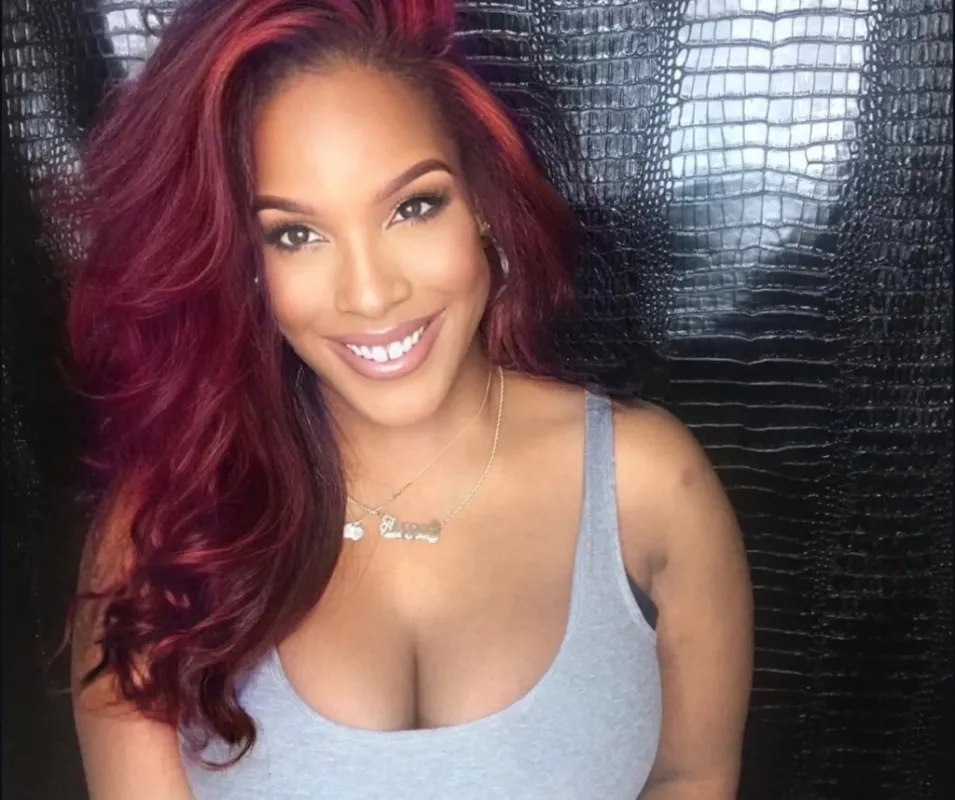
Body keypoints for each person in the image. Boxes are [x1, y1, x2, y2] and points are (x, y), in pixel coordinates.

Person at [65, 1, 753, 798]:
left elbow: (689, 775)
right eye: (295, 234)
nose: (370, 293)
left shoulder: (648, 485)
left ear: (482, 203)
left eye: (412, 206)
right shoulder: (161, 533)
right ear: (243, 263)